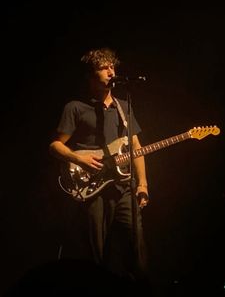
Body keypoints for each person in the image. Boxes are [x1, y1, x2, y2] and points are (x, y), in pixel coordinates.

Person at [49, 47, 149, 283]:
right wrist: (79, 158)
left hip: (124, 186)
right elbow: (55, 145)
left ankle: (143, 286)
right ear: (91, 76)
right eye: (104, 68)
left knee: (138, 245)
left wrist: (143, 183)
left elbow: (137, 148)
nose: (110, 71)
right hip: (93, 186)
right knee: (98, 249)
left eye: (112, 66)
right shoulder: (76, 107)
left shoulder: (124, 107)